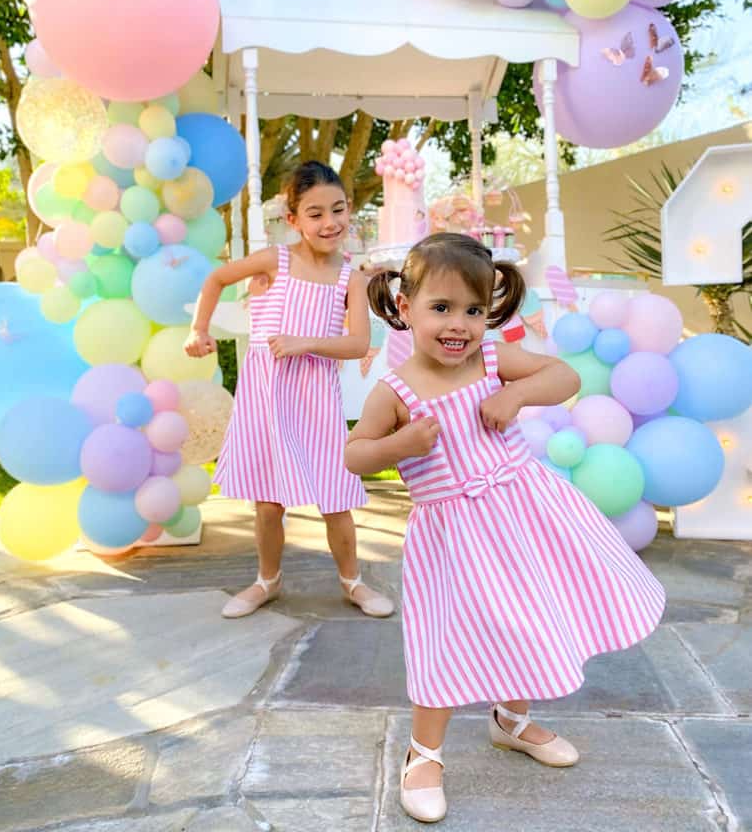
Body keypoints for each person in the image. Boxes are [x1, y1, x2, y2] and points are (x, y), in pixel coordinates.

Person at [345, 233, 665, 824]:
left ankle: (511, 720)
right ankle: (425, 752)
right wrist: (399, 442)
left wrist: (516, 395)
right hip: (453, 537)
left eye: (472, 310)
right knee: (445, 641)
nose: (459, 325)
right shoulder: (394, 390)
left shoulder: (491, 360)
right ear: (404, 306)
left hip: (522, 515)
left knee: (524, 619)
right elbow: (354, 456)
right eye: (441, 308)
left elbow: (563, 377)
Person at [185, 161, 394, 621]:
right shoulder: (275, 261)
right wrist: (198, 329)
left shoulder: (350, 279)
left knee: (336, 495)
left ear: (350, 209)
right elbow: (217, 278)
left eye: (337, 210)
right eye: (315, 213)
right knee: (268, 500)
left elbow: (358, 342)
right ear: (294, 220)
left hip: (316, 397)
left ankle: (352, 581)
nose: (329, 222)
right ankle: (267, 580)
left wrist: (306, 342)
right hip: (267, 396)